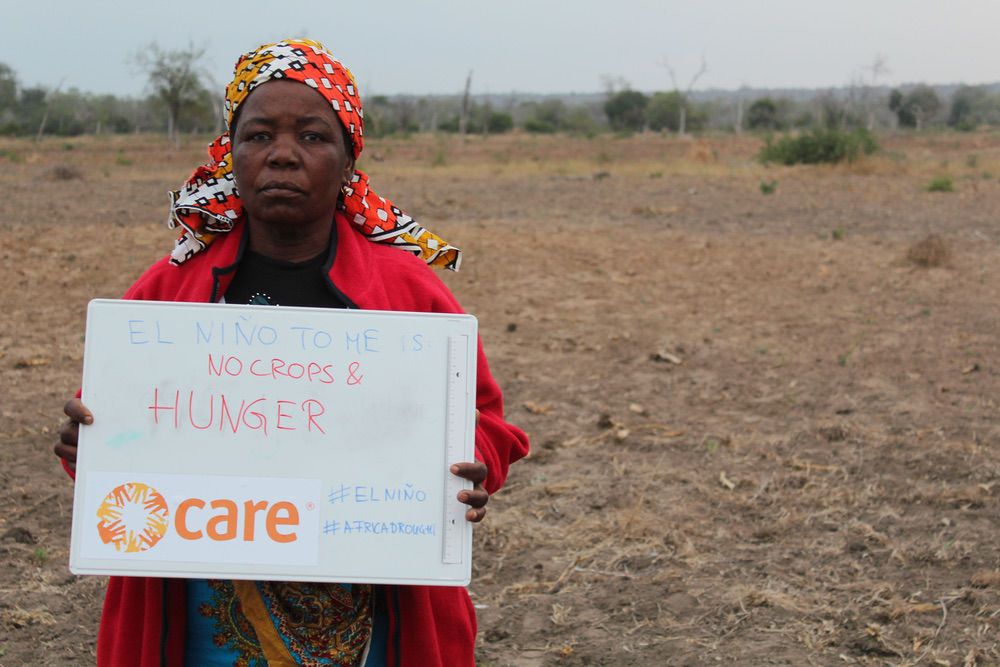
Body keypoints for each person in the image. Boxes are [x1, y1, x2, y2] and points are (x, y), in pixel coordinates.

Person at [54, 38, 529, 667]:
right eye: (257, 137)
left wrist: (472, 462)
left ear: (347, 159)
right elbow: (124, 442)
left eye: (311, 136)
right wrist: (90, 443)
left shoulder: (408, 293)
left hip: (376, 602)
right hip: (197, 611)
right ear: (230, 155)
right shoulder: (167, 294)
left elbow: (488, 423)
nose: (282, 155)